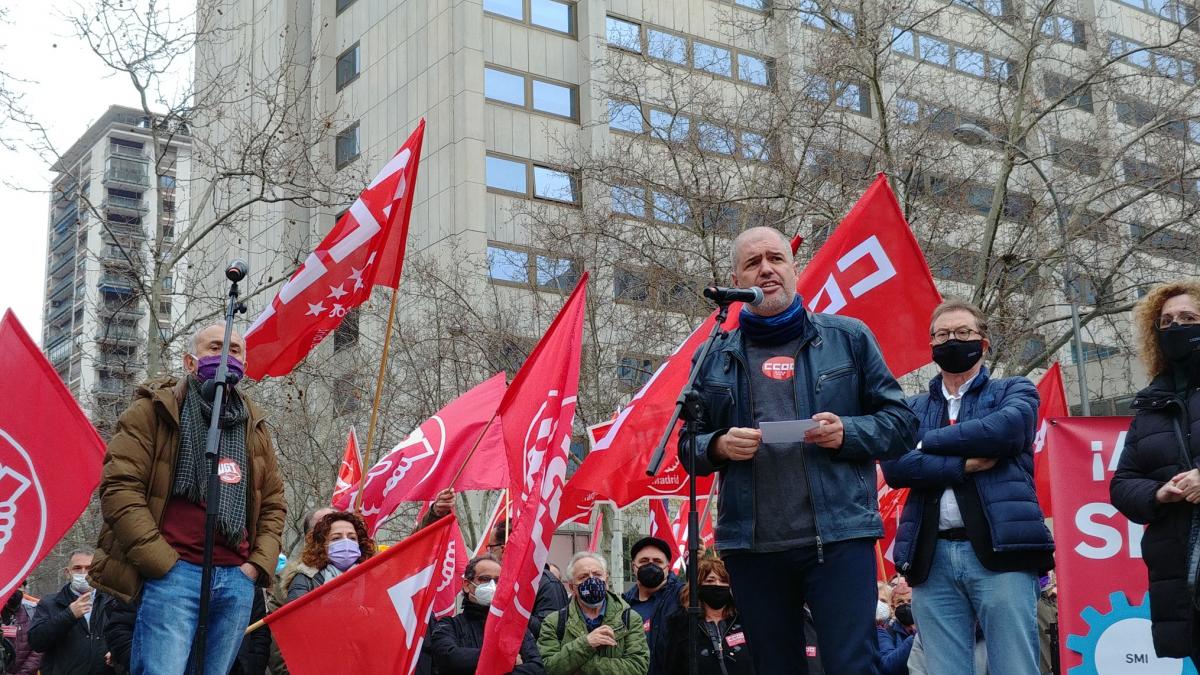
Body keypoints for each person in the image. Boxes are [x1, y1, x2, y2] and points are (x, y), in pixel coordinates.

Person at [679, 226, 919, 673]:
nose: (766, 269)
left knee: (852, 666)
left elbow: (902, 425)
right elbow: (686, 448)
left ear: (794, 270)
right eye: (753, 263)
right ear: (736, 278)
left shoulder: (849, 337)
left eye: (776, 258)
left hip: (839, 538)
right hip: (752, 548)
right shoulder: (713, 354)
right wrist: (718, 445)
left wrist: (847, 431)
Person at [89, 324, 286, 675]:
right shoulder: (152, 411)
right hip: (173, 574)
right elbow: (120, 489)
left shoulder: (254, 426)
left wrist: (255, 567)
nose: (227, 357)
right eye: (215, 347)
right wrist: (162, 563)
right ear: (190, 362)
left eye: (236, 351)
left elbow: (273, 503)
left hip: (235, 580)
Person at [882, 299, 1054, 675]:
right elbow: (895, 465)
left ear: (984, 342)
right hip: (932, 558)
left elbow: (1005, 432)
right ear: (931, 346)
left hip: (1002, 553)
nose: (953, 340)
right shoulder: (910, 407)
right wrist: (962, 464)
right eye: (943, 334)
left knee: (1015, 667)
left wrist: (926, 444)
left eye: (963, 333)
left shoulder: (1014, 390)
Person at [1111, 281, 1200, 663]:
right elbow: (1123, 483)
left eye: (1188, 318)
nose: (1176, 327)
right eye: (1166, 322)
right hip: (1182, 574)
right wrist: (1158, 494)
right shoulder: (1151, 406)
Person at [428, 554, 543, 674]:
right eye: (485, 579)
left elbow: (536, 669)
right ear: (467, 585)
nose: (492, 585)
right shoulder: (449, 625)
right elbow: (449, 658)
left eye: (498, 580)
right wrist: (505, 659)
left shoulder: (514, 627)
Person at [538, 552, 649, 674]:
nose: (592, 580)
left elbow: (637, 667)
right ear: (571, 587)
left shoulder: (629, 618)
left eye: (597, 574)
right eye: (583, 577)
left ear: (606, 580)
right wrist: (586, 644)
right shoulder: (554, 622)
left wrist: (581, 663)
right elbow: (547, 667)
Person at [661, 556, 753, 675]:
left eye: (724, 581)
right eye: (710, 580)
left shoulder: (745, 620)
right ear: (698, 586)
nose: (718, 585)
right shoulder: (681, 623)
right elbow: (671, 666)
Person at [27, 551, 113, 674]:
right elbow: (36, 642)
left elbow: (125, 635)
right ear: (68, 572)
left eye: (89, 568)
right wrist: (69, 615)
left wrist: (117, 653)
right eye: (77, 568)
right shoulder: (50, 603)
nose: (84, 573)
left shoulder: (111, 601)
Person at [489, 521, 569, 638]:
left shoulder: (548, 585)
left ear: (503, 549)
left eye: (490, 548)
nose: (489, 553)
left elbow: (549, 631)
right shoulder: (499, 582)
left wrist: (511, 608)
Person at [621, 536, 681, 674]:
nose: (651, 565)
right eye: (644, 561)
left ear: (668, 567)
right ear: (633, 567)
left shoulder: (682, 597)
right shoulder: (622, 605)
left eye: (657, 561)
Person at [287, 511, 377, 602]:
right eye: (336, 538)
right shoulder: (306, 579)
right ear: (322, 545)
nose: (346, 542)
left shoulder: (374, 577)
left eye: (352, 538)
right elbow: (298, 615)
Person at [2, 581, 41, 675]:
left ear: (24, 589)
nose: (14, 590)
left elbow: (39, 648)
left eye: (18, 586)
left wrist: (24, 672)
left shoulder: (33, 611)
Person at [878, 596, 917, 675]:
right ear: (892, 607)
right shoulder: (886, 630)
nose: (906, 604)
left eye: (910, 601)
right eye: (900, 602)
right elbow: (888, 666)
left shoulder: (926, 627)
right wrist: (915, 638)